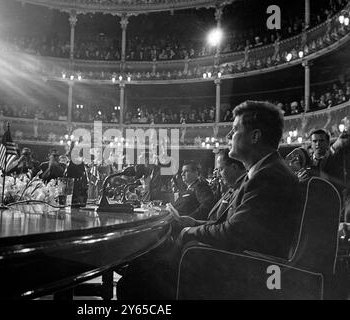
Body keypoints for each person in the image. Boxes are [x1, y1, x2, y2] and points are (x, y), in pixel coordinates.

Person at [117, 101, 302, 300]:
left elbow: (234, 233)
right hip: (230, 260)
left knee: (134, 280)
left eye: (235, 130)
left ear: (255, 136)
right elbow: (237, 227)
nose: (229, 136)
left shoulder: (268, 176)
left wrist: (189, 232)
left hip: (237, 270)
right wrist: (194, 223)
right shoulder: (265, 172)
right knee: (141, 263)